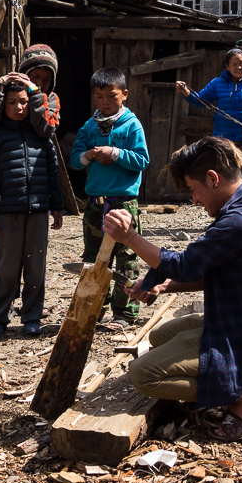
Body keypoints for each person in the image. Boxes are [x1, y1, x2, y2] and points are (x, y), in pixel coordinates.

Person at [101, 137, 242, 442]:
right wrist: (161, 284)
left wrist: (129, 238)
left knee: (143, 374)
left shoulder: (240, 220)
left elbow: (183, 265)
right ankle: (235, 382)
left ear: (212, 178)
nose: (194, 200)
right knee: (160, 335)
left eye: (193, 189)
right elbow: (210, 271)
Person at [0, 82, 65, 339]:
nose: (18, 107)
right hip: (6, 212)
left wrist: (57, 206)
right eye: (11, 102)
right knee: (6, 267)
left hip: (38, 210)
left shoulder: (42, 136)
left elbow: (53, 173)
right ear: (2, 105)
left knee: (36, 267)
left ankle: (32, 317)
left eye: (24, 102)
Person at [70, 67, 149, 325]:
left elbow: (142, 160)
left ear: (124, 94)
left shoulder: (131, 125)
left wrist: (114, 153)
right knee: (94, 259)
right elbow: (75, 160)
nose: (105, 102)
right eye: (99, 97)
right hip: (95, 206)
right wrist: (89, 155)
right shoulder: (89, 126)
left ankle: (124, 313)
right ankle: (95, 309)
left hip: (123, 204)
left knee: (126, 257)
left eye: (111, 96)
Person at [175, 48, 242, 179]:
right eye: (234, 64)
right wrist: (185, 91)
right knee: (223, 177)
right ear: (227, 67)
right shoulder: (217, 83)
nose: (239, 67)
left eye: (241, 63)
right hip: (223, 141)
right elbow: (200, 101)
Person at [0, 44, 61, 137]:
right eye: (35, 76)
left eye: (46, 80)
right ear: (24, 74)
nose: (40, 83)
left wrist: (35, 93)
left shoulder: (51, 99)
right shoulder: (8, 93)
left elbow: (46, 130)